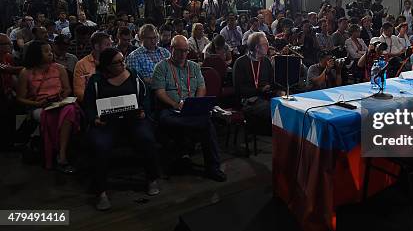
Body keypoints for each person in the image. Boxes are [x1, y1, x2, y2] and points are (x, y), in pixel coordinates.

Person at [83, 48, 159, 210]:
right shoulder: (96, 81)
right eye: (117, 63)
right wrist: (94, 119)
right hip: (107, 123)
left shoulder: (133, 75)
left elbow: (144, 97)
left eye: (122, 60)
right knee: (100, 145)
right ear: (106, 66)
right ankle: (101, 191)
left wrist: (144, 111)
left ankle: (152, 178)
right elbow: (88, 105)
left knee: (147, 138)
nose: (122, 64)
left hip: (133, 119)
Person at [152, 35, 226, 182]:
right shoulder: (161, 67)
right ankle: (185, 152)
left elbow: (201, 87)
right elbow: (159, 92)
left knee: (205, 123)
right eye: (179, 51)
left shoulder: (193, 66)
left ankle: (212, 166)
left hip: (190, 108)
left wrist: (195, 103)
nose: (183, 54)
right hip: (170, 109)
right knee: (199, 123)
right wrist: (175, 104)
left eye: (186, 51)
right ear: (171, 49)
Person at [16, 41, 81, 172]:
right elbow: (20, 98)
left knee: (70, 110)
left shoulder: (59, 68)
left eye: (50, 50)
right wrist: (37, 104)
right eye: (46, 51)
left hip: (59, 103)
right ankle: (59, 155)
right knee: (52, 115)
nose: (50, 53)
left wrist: (61, 98)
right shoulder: (26, 73)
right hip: (39, 106)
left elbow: (67, 89)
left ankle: (61, 154)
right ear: (36, 54)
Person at [233, 32, 276, 135]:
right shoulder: (241, 63)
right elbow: (239, 90)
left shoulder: (266, 61)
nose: (268, 47)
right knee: (273, 108)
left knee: (286, 103)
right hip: (249, 100)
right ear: (257, 47)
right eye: (265, 44)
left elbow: (272, 81)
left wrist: (279, 91)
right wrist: (259, 90)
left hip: (265, 96)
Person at [74, 32, 113, 102]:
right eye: (107, 45)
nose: (111, 48)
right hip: (91, 102)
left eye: (111, 44)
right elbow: (79, 92)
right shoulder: (81, 64)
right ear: (97, 46)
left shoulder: (114, 61)